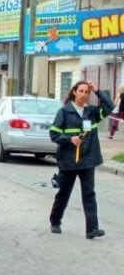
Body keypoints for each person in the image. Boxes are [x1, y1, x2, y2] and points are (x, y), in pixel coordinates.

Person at [49, 80, 113, 239]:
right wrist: (70, 139)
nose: (84, 95)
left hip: (88, 160)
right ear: (74, 92)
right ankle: (55, 221)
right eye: (81, 91)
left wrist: (97, 90)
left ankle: (92, 229)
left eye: (87, 92)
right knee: (64, 192)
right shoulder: (64, 112)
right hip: (68, 161)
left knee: (89, 194)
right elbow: (54, 134)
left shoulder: (92, 112)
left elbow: (109, 106)